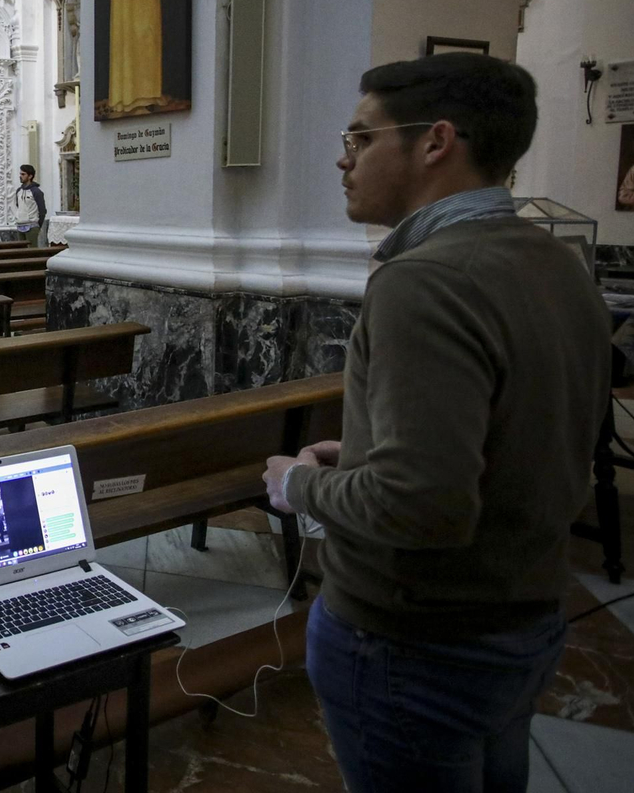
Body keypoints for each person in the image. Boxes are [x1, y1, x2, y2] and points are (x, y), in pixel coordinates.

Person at [262, 53, 611, 793]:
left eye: (361, 138)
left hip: (413, 640)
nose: (342, 157)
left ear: (435, 141)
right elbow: (512, 434)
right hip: (525, 613)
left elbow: (422, 506)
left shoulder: (425, 280)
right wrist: (363, 453)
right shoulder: (555, 262)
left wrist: (300, 486)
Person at [13, 164, 47, 246]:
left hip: (32, 226)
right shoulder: (19, 191)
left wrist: (38, 225)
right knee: (20, 252)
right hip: (20, 225)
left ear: (30, 176)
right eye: (20, 174)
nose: (20, 176)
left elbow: (42, 210)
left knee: (32, 250)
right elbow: (19, 205)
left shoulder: (36, 191)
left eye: (23, 174)